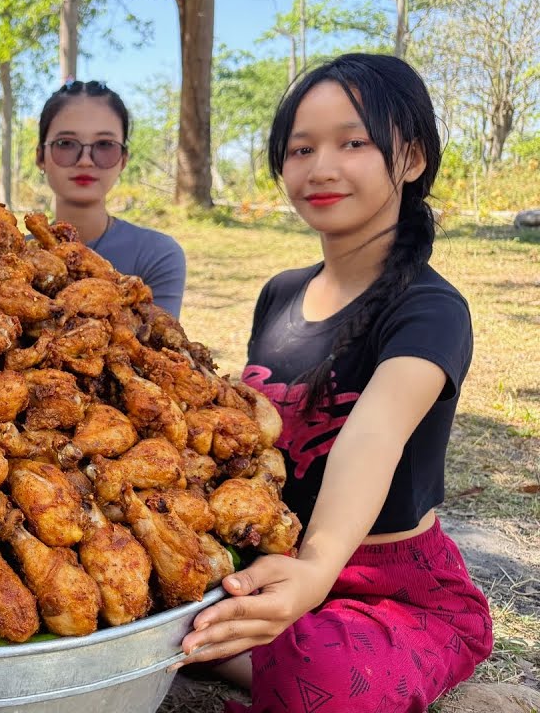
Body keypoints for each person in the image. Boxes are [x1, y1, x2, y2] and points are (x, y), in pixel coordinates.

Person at [177, 53, 493, 713]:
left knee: (314, 675)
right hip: (272, 557)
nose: (320, 167)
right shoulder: (280, 294)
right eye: (300, 149)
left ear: (411, 159)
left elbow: (371, 438)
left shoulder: (430, 309)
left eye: (353, 143)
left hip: (392, 588)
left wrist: (316, 571)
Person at [35, 80, 186, 317]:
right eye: (66, 143)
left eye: (105, 145)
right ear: (40, 157)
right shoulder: (10, 254)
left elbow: (163, 347)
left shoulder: (156, 255)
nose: (85, 160)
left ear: (124, 159)